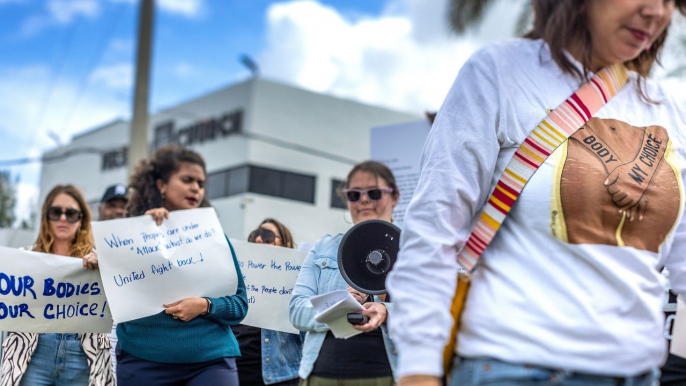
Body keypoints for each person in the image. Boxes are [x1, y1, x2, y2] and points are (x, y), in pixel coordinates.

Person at [386, 1, 686, 385]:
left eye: (669, 0)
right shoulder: (500, 71)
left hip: (638, 375)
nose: (656, 12)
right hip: (511, 370)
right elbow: (433, 229)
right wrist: (418, 367)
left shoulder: (671, 109)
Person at [116, 145, 248, 386]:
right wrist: (144, 231)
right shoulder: (131, 233)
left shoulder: (216, 237)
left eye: (201, 183)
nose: (196, 188)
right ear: (161, 185)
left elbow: (240, 305)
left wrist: (205, 306)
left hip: (211, 363)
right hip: (142, 361)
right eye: (187, 180)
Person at [289, 160, 399, 385]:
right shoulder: (324, 248)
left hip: (388, 376)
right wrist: (342, 304)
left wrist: (387, 312)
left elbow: (432, 311)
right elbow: (296, 311)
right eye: (354, 195)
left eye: (374, 192)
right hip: (321, 376)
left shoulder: (414, 249)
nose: (364, 199)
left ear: (395, 197)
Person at [0, 185, 114, 385]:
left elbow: (118, 308)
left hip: (82, 356)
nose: (63, 219)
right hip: (33, 353)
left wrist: (105, 267)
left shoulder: (101, 259)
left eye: (71, 213)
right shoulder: (22, 258)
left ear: (81, 219)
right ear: (46, 216)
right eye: (56, 212)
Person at [233, 218, 304, 386]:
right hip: (236, 368)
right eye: (255, 235)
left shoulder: (299, 279)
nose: (258, 239)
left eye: (267, 236)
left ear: (285, 243)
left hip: (280, 374)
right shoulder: (235, 275)